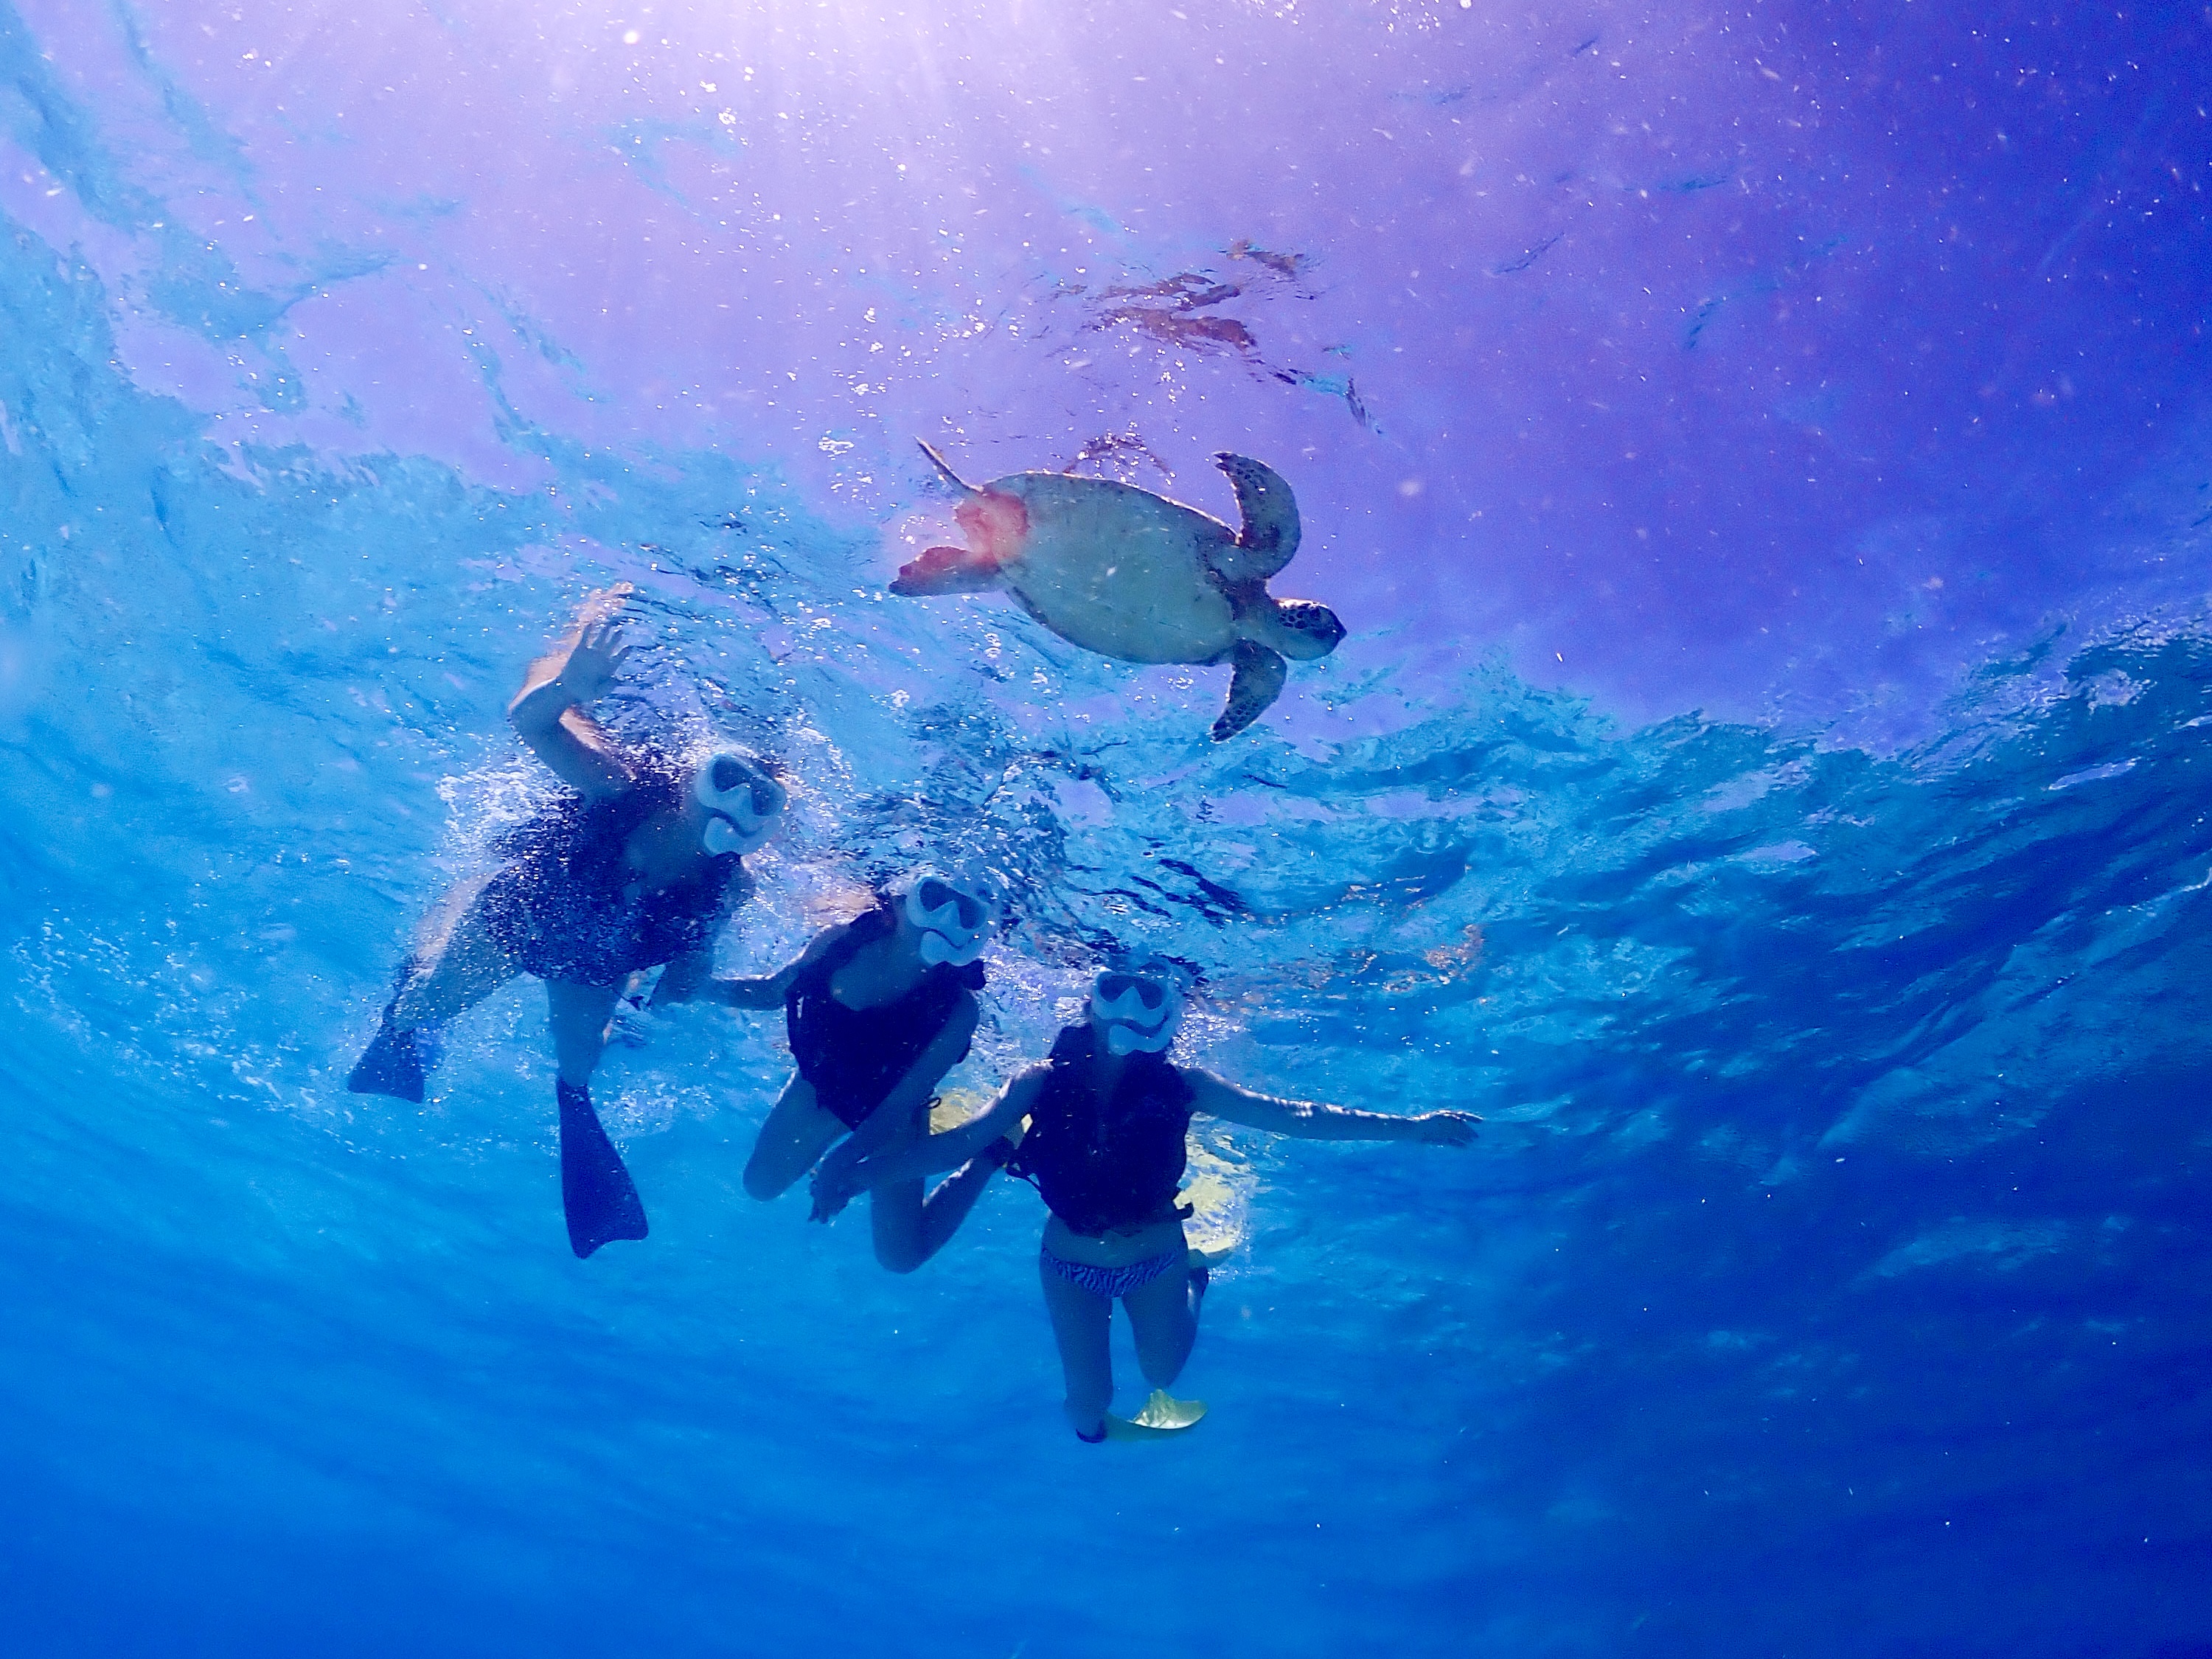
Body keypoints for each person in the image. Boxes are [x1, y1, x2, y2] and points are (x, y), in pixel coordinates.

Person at [814, 954, 1480, 1441]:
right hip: (1067, 1263)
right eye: (1115, 990)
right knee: (1087, 1410)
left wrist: (1412, 1129)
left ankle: (1197, 1279)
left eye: (1148, 999)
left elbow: (1294, 1116)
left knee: (1162, 1374)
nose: (1128, 1010)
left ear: (1170, 1018)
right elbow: (957, 1143)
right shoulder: (1038, 1080)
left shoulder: (1186, 1084)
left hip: (1159, 1258)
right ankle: (1099, 1436)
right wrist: (855, 1174)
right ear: (1091, 1004)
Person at [347, 585, 786, 1259]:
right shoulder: (621, 786)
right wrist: (570, 685)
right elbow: (533, 724)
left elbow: (693, 960)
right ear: (694, 775)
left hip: (596, 966)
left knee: (578, 1070)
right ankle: (408, 996)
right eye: (725, 779)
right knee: (423, 1007)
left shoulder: (730, 886)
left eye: (760, 799)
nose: (737, 805)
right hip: (521, 916)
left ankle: (575, 1119)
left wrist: (653, 1007)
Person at [709, 866, 1009, 1273]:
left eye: (966, 914)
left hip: (892, 1118)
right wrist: (701, 988)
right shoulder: (841, 944)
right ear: (899, 902)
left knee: (901, 1257)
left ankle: (992, 1153)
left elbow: (900, 1104)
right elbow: (770, 991)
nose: (946, 920)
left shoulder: (958, 1012)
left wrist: (843, 1163)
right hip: (817, 1089)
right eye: (935, 899)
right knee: (759, 1185)